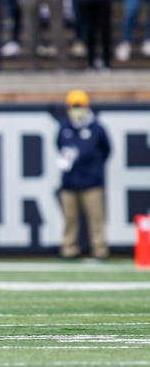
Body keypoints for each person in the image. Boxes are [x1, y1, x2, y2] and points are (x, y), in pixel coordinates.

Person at [56, 89, 111, 260]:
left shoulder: (96, 128)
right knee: (70, 220)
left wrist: (93, 169)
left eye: (79, 105)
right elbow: (59, 147)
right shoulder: (65, 127)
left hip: (92, 182)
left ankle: (99, 249)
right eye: (74, 106)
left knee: (96, 220)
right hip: (70, 182)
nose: (77, 109)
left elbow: (107, 150)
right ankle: (69, 248)